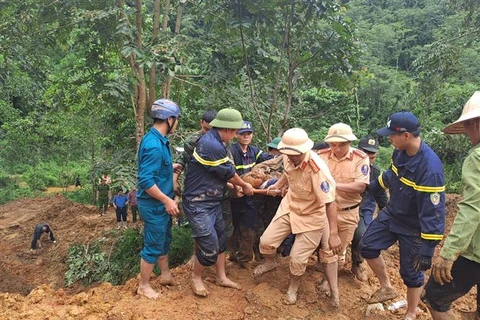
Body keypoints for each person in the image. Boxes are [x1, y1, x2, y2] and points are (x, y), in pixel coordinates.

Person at [360, 111, 446, 320]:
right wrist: (373, 186)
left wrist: (428, 248)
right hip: (393, 213)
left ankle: (410, 313)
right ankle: (386, 287)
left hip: (414, 227)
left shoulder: (430, 169)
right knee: (367, 246)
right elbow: (392, 174)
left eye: (392, 135)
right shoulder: (400, 152)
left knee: (412, 273)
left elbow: (433, 212)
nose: (389, 139)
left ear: (406, 135)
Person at [253, 128, 342, 307]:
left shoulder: (318, 170)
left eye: (296, 155)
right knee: (266, 242)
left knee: (297, 259)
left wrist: (333, 233)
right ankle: (271, 262)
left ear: (305, 150)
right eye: (288, 153)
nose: (292, 157)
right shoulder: (287, 156)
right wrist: (277, 185)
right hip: (290, 206)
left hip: (312, 215)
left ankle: (293, 287)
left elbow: (330, 203)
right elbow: (288, 173)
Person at [182, 108, 254, 297]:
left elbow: (222, 172)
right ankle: (197, 277)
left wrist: (234, 186)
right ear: (229, 130)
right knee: (209, 243)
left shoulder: (218, 142)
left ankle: (221, 276)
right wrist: (244, 186)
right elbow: (228, 172)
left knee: (221, 239)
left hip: (212, 200)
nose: (236, 134)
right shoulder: (211, 144)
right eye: (236, 131)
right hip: (198, 202)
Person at [422, 91, 480, 320]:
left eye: (467, 126)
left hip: (475, 252)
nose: (466, 133)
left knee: (434, 295)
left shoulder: (477, 157)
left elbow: (473, 207)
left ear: (475, 123)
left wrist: (449, 252)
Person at [136, 98, 181, 300]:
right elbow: (145, 180)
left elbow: (154, 169)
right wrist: (166, 200)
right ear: (169, 119)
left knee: (163, 239)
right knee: (154, 243)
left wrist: (168, 168)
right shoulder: (154, 144)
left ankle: (165, 274)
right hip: (154, 205)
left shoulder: (158, 139)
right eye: (176, 119)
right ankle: (143, 286)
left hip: (159, 204)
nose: (177, 123)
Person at [318, 123, 370, 274]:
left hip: (348, 212)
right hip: (325, 211)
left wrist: (332, 185)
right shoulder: (321, 156)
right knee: (326, 247)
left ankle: (333, 278)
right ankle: (326, 278)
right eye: (333, 145)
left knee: (340, 249)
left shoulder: (360, 158)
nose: (337, 149)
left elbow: (360, 186)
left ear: (350, 142)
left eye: (341, 145)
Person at [228, 121, 273, 268]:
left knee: (250, 227)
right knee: (234, 227)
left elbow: (269, 159)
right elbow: (228, 173)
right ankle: (234, 256)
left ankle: (245, 259)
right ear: (236, 135)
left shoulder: (255, 152)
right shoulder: (231, 151)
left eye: (249, 134)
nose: (246, 136)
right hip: (234, 195)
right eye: (242, 134)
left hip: (251, 197)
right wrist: (236, 187)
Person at [350, 137, 389, 282]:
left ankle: (357, 263)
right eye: (364, 154)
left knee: (362, 235)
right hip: (344, 206)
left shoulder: (376, 172)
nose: (368, 158)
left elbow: (380, 194)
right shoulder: (347, 166)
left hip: (364, 208)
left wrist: (386, 209)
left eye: (372, 156)